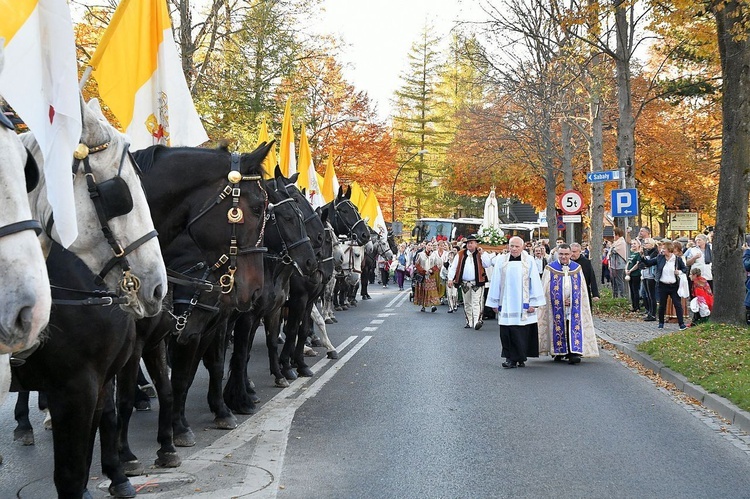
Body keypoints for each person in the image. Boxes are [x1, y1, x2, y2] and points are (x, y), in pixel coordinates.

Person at [486, 236, 545, 368]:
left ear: (522, 247)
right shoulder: (502, 260)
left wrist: (533, 302)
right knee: (507, 331)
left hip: (523, 303)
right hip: (506, 302)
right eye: (511, 246)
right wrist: (494, 303)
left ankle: (520, 357)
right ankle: (510, 358)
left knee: (521, 331)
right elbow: (496, 281)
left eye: (517, 246)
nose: (514, 249)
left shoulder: (529, 261)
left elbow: (534, 281)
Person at [537, 244, 599, 364]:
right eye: (561, 254)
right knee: (558, 324)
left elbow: (582, 289)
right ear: (557, 255)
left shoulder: (577, 268)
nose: (564, 257)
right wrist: (560, 299)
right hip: (556, 305)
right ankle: (559, 352)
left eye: (566, 254)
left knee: (572, 325)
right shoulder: (550, 268)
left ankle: (573, 352)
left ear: (570, 254)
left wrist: (574, 299)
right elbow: (545, 289)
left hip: (573, 305)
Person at [448, 234, 493, 329]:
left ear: (476, 244)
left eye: (471, 243)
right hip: (465, 282)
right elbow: (453, 267)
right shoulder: (460, 254)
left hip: (477, 283)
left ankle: (477, 321)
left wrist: (483, 254)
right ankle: (469, 321)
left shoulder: (480, 254)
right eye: (468, 243)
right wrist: (450, 279)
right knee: (467, 303)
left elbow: (487, 264)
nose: (469, 245)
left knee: (476, 302)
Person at [641, 240, 688, 330]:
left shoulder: (677, 259)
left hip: (674, 285)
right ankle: (661, 323)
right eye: (662, 249)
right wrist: (642, 257)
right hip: (662, 285)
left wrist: (679, 272)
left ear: (669, 249)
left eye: (664, 249)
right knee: (662, 305)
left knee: (677, 304)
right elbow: (649, 263)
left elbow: (685, 269)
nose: (662, 251)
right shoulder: (660, 258)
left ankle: (681, 324)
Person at [414, 242, 441, 312]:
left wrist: (431, 270)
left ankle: (432, 305)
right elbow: (417, 264)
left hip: (430, 276)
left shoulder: (434, 255)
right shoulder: (420, 254)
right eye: (428, 245)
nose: (430, 246)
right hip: (423, 275)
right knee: (423, 290)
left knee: (431, 290)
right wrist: (423, 271)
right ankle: (423, 305)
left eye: (431, 245)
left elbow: (437, 265)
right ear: (426, 246)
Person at [639, 238, 658, 321]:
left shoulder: (655, 252)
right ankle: (649, 311)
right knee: (647, 295)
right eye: (644, 243)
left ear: (652, 244)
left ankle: (653, 313)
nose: (645, 245)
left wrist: (645, 263)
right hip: (644, 275)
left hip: (651, 276)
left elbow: (650, 263)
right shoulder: (645, 252)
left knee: (651, 295)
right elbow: (641, 262)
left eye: (647, 243)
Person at [609, 227, 628, 298]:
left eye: (614, 234)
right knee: (614, 280)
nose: (613, 236)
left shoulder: (621, 242)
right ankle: (615, 295)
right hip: (614, 264)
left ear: (617, 235)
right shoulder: (616, 242)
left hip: (619, 264)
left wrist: (612, 250)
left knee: (619, 280)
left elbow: (614, 250)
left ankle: (622, 295)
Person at [625, 239, 642, 312]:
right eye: (632, 244)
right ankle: (633, 305)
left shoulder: (639, 254)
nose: (633, 245)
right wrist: (626, 270)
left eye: (635, 244)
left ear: (638, 245)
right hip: (630, 274)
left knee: (635, 290)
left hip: (636, 274)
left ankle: (637, 307)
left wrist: (631, 270)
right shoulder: (632, 253)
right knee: (631, 290)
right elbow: (628, 262)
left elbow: (637, 264)